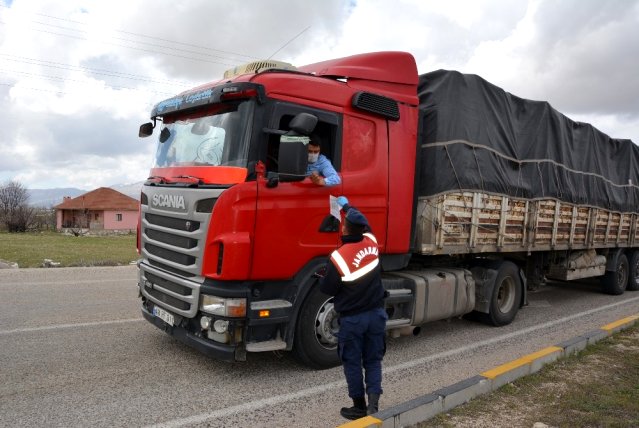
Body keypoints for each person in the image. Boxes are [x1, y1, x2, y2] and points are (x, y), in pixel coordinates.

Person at [320, 196, 387, 419]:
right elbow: (365, 224)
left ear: (346, 229)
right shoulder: (371, 242)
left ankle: (359, 406)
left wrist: (321, 276)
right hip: (377, 315)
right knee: (373, 360)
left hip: (354, 320)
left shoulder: (338, 257)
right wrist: (347, 207)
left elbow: (328, 288)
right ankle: (374, 405)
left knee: (352, 362)